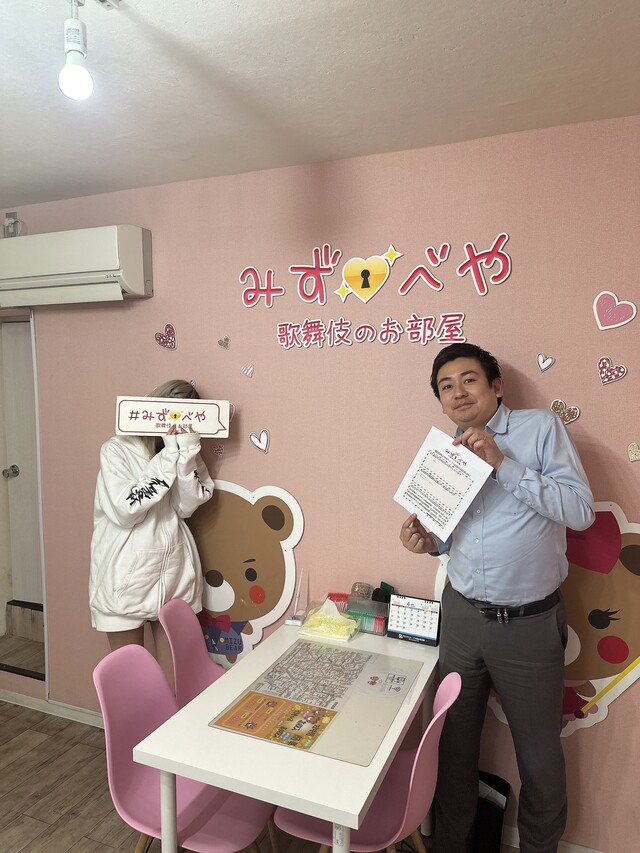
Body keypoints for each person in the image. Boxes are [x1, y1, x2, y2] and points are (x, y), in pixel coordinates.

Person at [399, 343, 594, 853]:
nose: (458, 393)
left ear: (496, 386)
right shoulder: (443, 454)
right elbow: (450, 538)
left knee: (539, 757)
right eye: (446, 387)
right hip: (462, 618)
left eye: (469, 380)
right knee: (453, 745)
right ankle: (451, 845)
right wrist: (427, 541)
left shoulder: (540, 430)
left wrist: (503, 464)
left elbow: (580, 511)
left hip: (529, 624)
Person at [89, 379, 215, 682]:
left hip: (173, 576)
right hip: (124, 579)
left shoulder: (184, 451)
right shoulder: (116, 449)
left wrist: (185, 455)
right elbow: (126, 510)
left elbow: (187, 506)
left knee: (176, 682)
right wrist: (168, 458)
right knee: (132, 683)